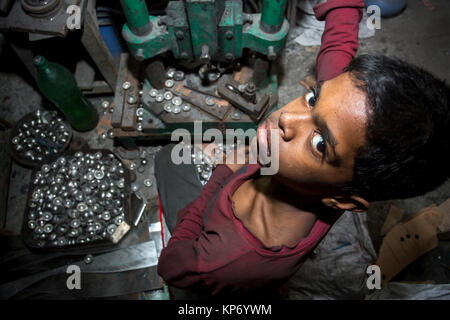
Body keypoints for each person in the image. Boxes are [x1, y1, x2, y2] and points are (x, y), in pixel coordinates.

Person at [154, 0, 450, 298]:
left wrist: (222, 173)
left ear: (343, 200)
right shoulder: (338, 167)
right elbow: (337, 58)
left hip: (208, 270)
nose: (286, 118)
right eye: (312, 99)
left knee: (167, 160)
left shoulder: (225, 260)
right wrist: (342, 7)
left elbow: (171, 267)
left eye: (320, 143)